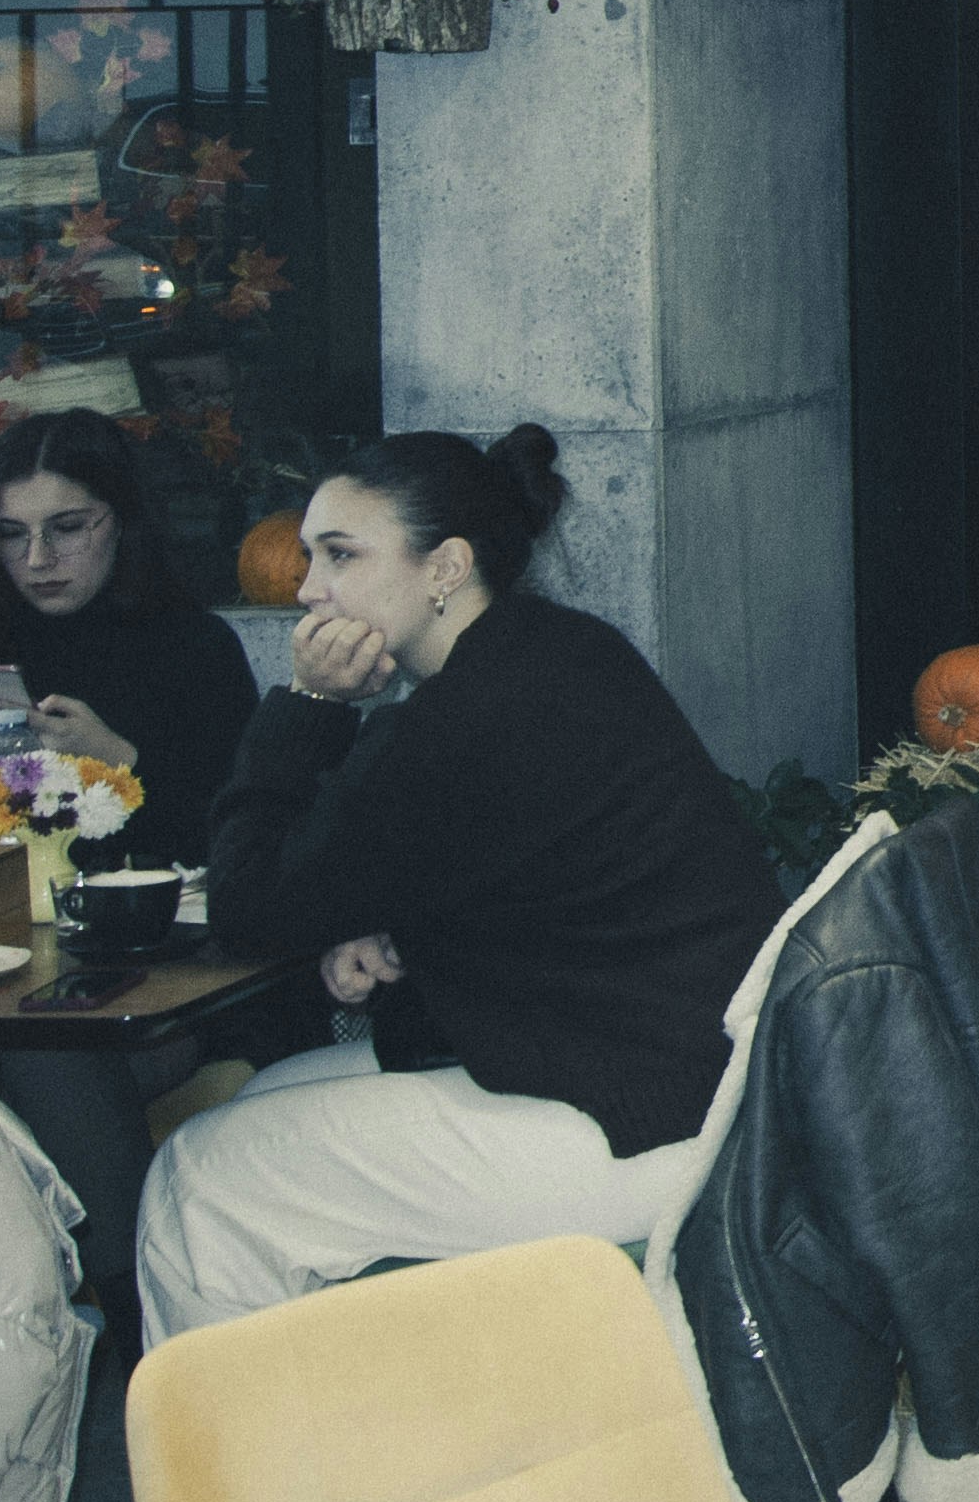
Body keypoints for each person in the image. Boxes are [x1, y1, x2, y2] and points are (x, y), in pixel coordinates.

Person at [133, 426, 780, 1345]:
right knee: (259, 1102)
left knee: (198, 1182)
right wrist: (393, 926)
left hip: (646, 1121)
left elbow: (250, 909)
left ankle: (266, 1469)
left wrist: (309, 705)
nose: (308, 589)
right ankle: (362, 1421)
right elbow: (519, 873)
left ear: (445, 567)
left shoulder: (462, 712)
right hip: (682, 1070)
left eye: (340, 555)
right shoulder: (552, 651)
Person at [0, 412, 270, 1289]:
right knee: (22, 1043)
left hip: (164, 988)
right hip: (3, 975)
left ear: (121, 523)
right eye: (11, 536)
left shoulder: (190, 648)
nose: (38, 562)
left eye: (67, 529)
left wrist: (123, 763)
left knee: (46, 1050)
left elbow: (242, 842)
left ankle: (133, 1333)